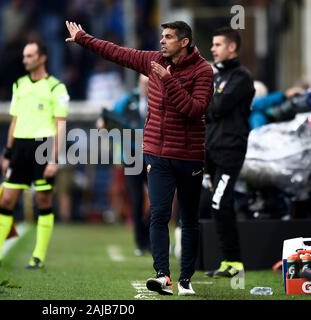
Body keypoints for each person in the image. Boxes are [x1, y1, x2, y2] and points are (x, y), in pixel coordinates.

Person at [66, 20, 213, 296]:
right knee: (158, 214)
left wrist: (169, 81)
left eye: (168, 37)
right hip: (156, 155)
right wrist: (83, 38)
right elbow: (117, 52)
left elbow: (195, 110)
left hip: (189, 156)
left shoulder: (203, 70)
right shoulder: (152, 61)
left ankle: (186, 280)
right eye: (162, 36)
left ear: (184, 42)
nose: (162, 41)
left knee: (188, 219)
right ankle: (163, 276)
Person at [0, 41, 69, 269]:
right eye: (24, 56)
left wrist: (55, 158)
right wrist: (7, 151)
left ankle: (38, 256)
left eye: (30, 55)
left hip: (42, 146)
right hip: (20, 149)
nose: (25, 59)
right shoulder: (19, 85)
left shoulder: (56, 88)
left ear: (42, 58)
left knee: (43, 200)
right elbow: (14, 121)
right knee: (6, 199)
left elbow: (61, 125)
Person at [205, 27, 255, 278]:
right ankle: (224, 261)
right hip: (210, 151)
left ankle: (234, 262)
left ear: (232, 47)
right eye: (213, 44)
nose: (213, 48)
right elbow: (206, 108)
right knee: (210, 203)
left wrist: (207, 101)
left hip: (230, 152)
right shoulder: (216, 76)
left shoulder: (242, 77)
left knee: (219, 202)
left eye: (218, 44)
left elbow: (218, 106)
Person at [102, 74, 151, 256]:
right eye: (143, 82)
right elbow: (110, 117)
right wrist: (104, 123)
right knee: (137, 200)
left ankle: (151, 237)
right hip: (132, 156)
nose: (145, 86)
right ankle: (141, 242)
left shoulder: (161, 98)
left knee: (158, 200)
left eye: (148, 82)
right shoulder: (128, 100)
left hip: (153, 155)